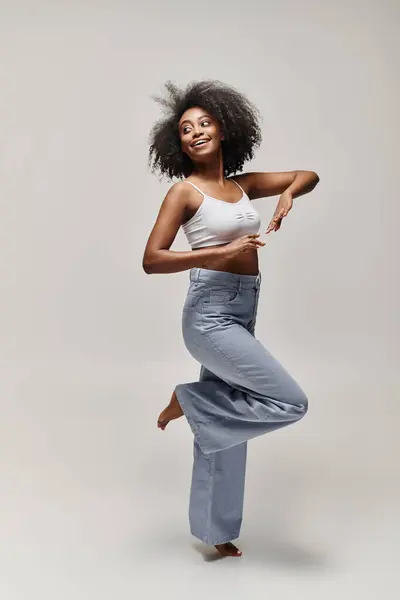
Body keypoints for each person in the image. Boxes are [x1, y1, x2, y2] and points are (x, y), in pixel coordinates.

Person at [142, 80, 319, 558]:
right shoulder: (185, 192)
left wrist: (288, 196)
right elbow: (152, 259)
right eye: (185, 129)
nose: (195, 132)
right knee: (289, 401)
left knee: (229, 424)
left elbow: (308, 174)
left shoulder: (243, 186)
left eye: (203, 122)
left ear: (224, 127)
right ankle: (189, 399)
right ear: (177, 144)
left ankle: (215, 529)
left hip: (244, 307)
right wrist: (221, 251)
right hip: (210, 314)